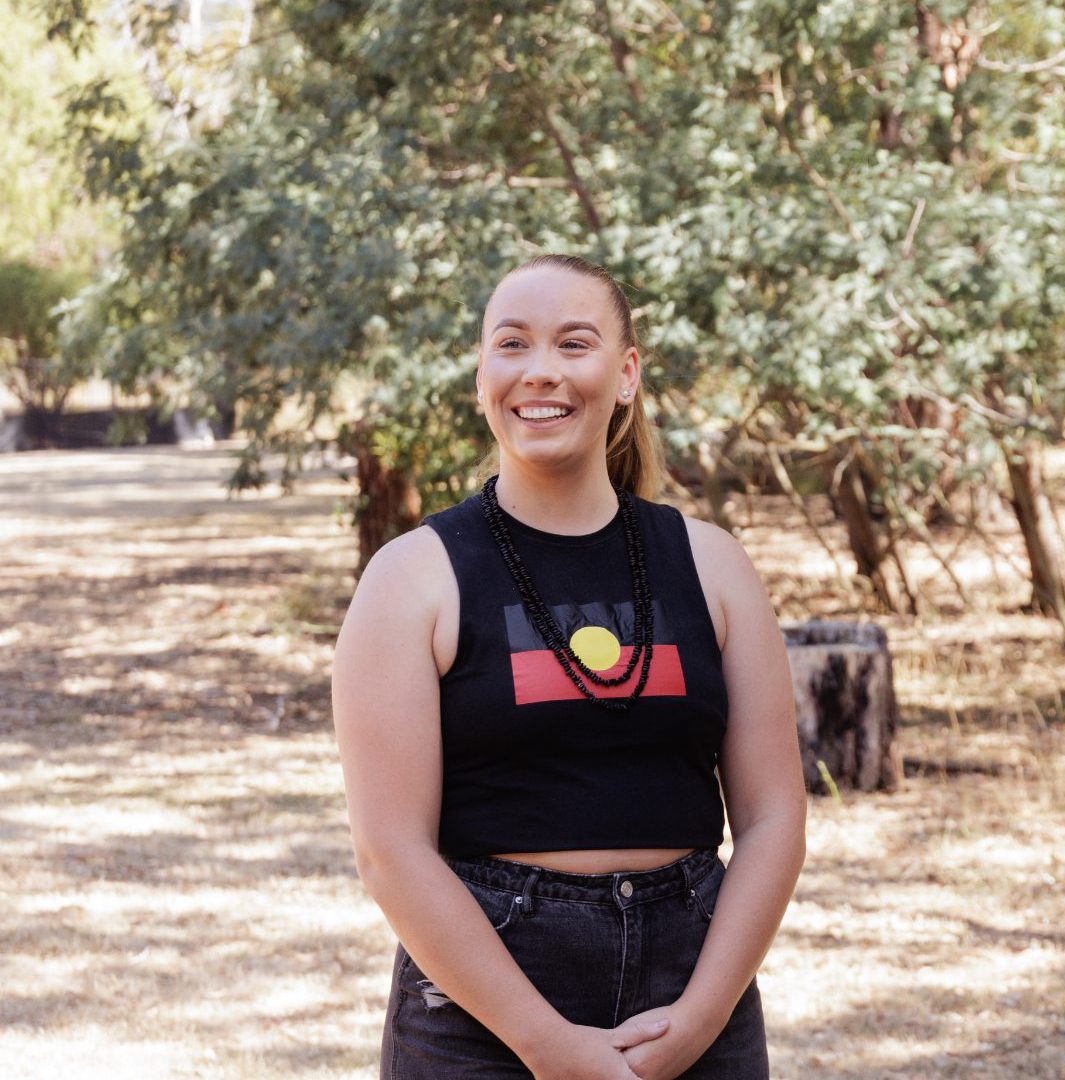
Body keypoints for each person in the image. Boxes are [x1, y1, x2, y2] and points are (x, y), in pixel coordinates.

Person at [333, 253, 806, 1080]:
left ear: (626, 375)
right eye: (510, 344)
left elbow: (773, 821)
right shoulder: (413, 577)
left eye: (573, 344)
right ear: (483, 374)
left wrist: (699, 1019)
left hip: (695, 990)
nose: (539, 371)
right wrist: (546, 1045)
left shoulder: (712, 565)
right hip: (482, 1011)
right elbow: (390, 851)